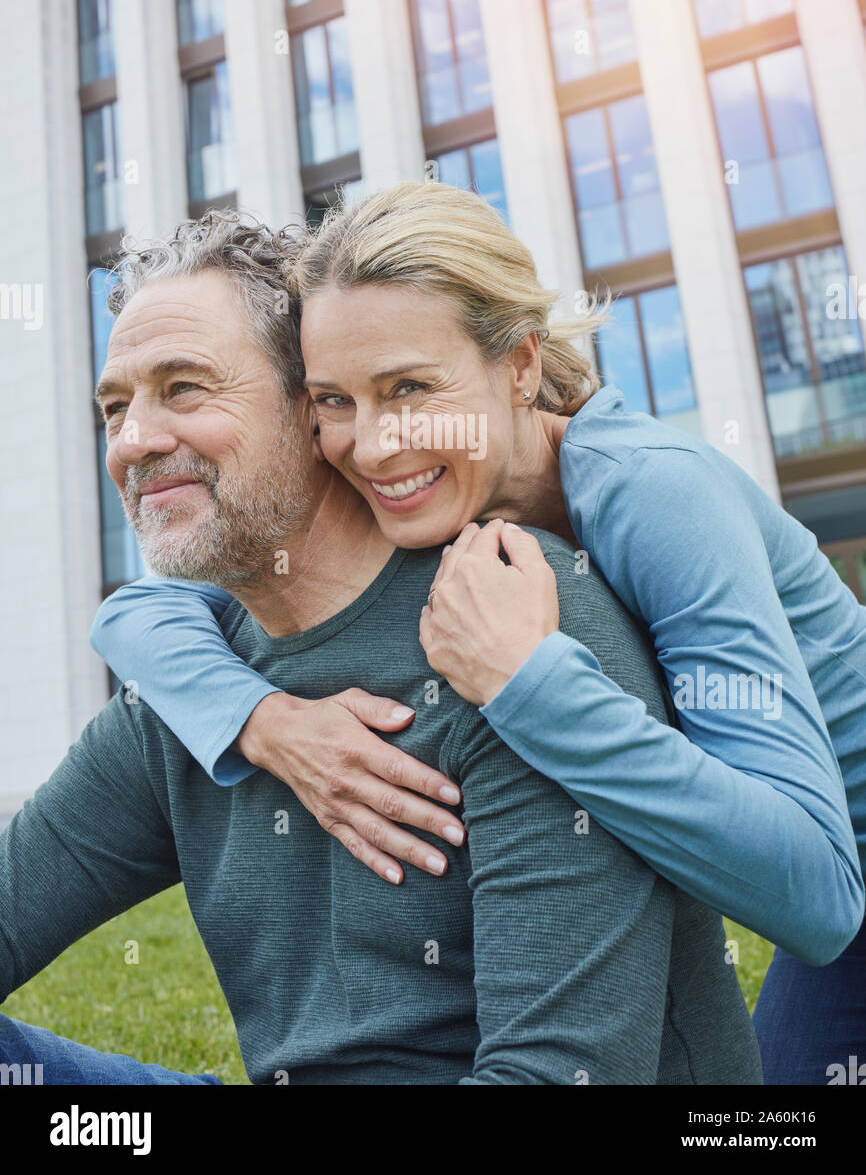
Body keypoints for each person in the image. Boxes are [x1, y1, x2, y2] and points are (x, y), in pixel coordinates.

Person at [91, 187, 866, 1084]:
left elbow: (818, 894)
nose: (375, 446)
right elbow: (143, 610)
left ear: (522, 364)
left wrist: (529, 685)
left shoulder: (655, 495)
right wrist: (266, 722)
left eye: (411, 388)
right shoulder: (425, 492)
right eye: (336, 400)